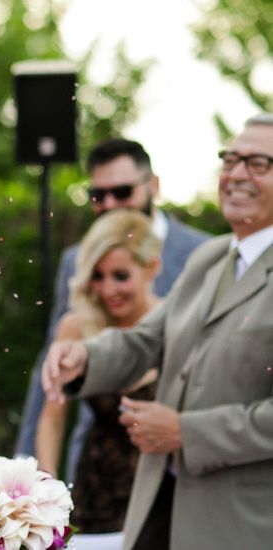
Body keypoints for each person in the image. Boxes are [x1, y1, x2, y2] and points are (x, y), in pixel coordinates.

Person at [42, 113, 273, 549]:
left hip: (246, 527)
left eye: (258, 164)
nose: (237, 174)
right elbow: (145, 340)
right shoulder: (209, 258)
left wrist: (187, 431)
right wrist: (84, 358)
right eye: (231, 160)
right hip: (156, 516)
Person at [16, 138, 208, 479]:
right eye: (98, 195)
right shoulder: (76, 259)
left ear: (153, 186)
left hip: (173, 469)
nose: (110, 204)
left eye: (121, 192)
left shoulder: (202, 254)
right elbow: (52, 365)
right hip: (95, 463)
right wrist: (30, 470)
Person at [35, 210, 160, 544]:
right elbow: (52, 417)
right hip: (95, 498)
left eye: (120, 276)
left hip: (158, 496)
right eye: (98, 276)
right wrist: (48, 489)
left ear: (152, 268)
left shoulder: (172, 324)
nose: (107, 289)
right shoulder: (77, 325)